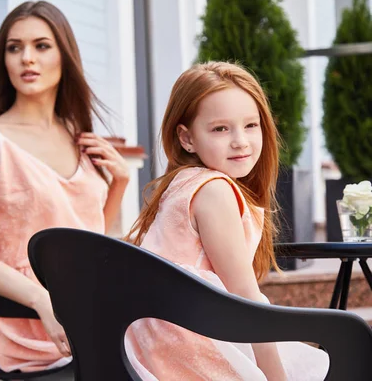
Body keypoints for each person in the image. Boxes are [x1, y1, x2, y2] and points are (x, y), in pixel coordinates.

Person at [123, 62, 329, 380]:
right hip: (189, 346)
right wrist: (276, 377)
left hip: (163, 340)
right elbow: (245, 296)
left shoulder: (182, 182)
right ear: (186, 138)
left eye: (250, 125)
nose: (240, 141)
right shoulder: (214, 191)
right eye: (220, 129)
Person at [0, 1, 129, 373]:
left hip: (92, 311)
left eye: (41, 46)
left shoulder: (79, 137)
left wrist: (120, 182)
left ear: (64, 56)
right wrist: (42, 299)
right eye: (14, 48)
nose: (26, 59)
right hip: (32, 329)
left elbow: (97, 240)